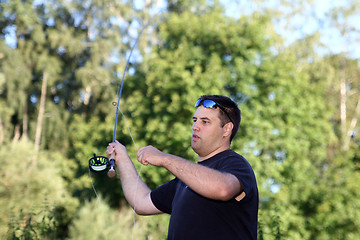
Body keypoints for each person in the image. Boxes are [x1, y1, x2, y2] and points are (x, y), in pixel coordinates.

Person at [107, 95, 258, 240]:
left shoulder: (236, 164)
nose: (195, 127)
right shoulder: (184, 181)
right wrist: (122, 159)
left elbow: (223, 189)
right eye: (195, 120)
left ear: (226, 129)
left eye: (205, 122)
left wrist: (164, 158)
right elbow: (140, 202)